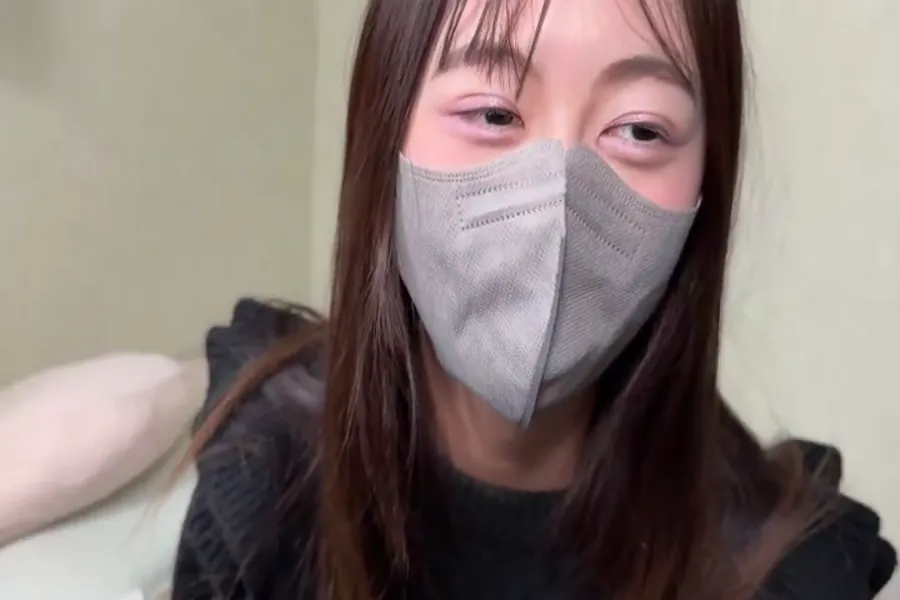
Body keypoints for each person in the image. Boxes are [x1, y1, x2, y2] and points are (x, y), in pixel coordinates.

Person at [171, 0, 897, 598]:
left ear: (708, 181)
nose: (557, 199)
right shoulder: (262, 480)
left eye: (640, 129)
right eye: (492, 113)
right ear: (383, 129)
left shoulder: (788, 569)